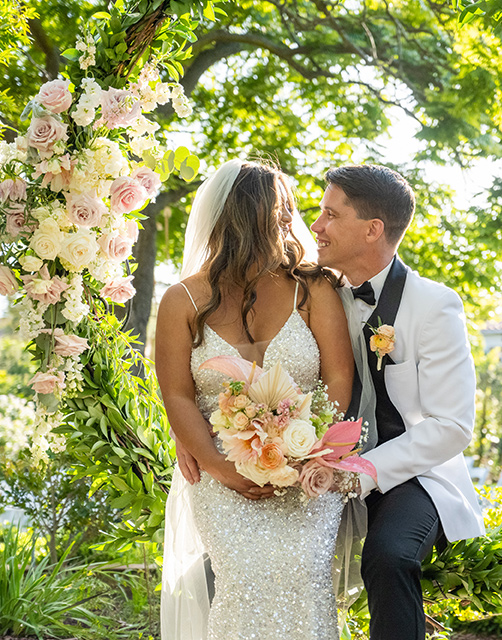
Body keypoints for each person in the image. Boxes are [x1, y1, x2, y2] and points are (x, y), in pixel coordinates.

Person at [157, 159, 354, 640]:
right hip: (220, 475)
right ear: (245, 220)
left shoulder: (312, 288)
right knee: (243, 580)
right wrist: (221, 467)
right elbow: (178, 395)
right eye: (281, 213)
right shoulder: (180, 301)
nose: (293, 224)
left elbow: (338, 377)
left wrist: (311, 455)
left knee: (303, 576)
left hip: (309, 477)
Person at [310, 164, 485, 640]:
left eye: (330, 214)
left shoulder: (435, 305)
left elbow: (452, 425)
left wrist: (361, 474)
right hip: (318, 463)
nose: (315, 225)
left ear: (372, 230)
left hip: (414, 474)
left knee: (389, 556)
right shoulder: (311, 294)